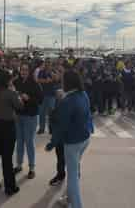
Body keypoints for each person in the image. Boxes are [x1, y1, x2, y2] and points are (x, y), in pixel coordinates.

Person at [45, 69, 94, 208]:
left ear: (67, 83)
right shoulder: (83, 94)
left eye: (62, 80)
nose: (61, 82)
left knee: (72, 177)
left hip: (73, 142)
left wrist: (52, 143)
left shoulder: (67, 101)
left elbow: (61, 126)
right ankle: (68, 199)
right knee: (75, 169)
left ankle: (76, 204)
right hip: (85, 137)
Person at [13, 62, 43, 179]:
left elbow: (40, 100)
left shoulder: (35, 84)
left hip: (30, 115)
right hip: (18, 115)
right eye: (22, 70)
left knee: (29, 142)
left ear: (29, 71)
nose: (23, 72)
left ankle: (31, 168)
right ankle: (19, 165)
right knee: (19, 141)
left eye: (26, 70)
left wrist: (29, 98)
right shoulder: (16, 82)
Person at [37, 58, 59, 134]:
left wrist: (52, 75)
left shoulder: (54, 71)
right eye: (46, 62)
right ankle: (41, 128)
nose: (47, 64)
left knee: (51, 113)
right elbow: (38, 80)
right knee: (41, 113)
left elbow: (57, 79)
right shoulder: (41, 71)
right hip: (43, 95)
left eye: (49, 62)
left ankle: (51, 128)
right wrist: (46, 81)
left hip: (52, 95)